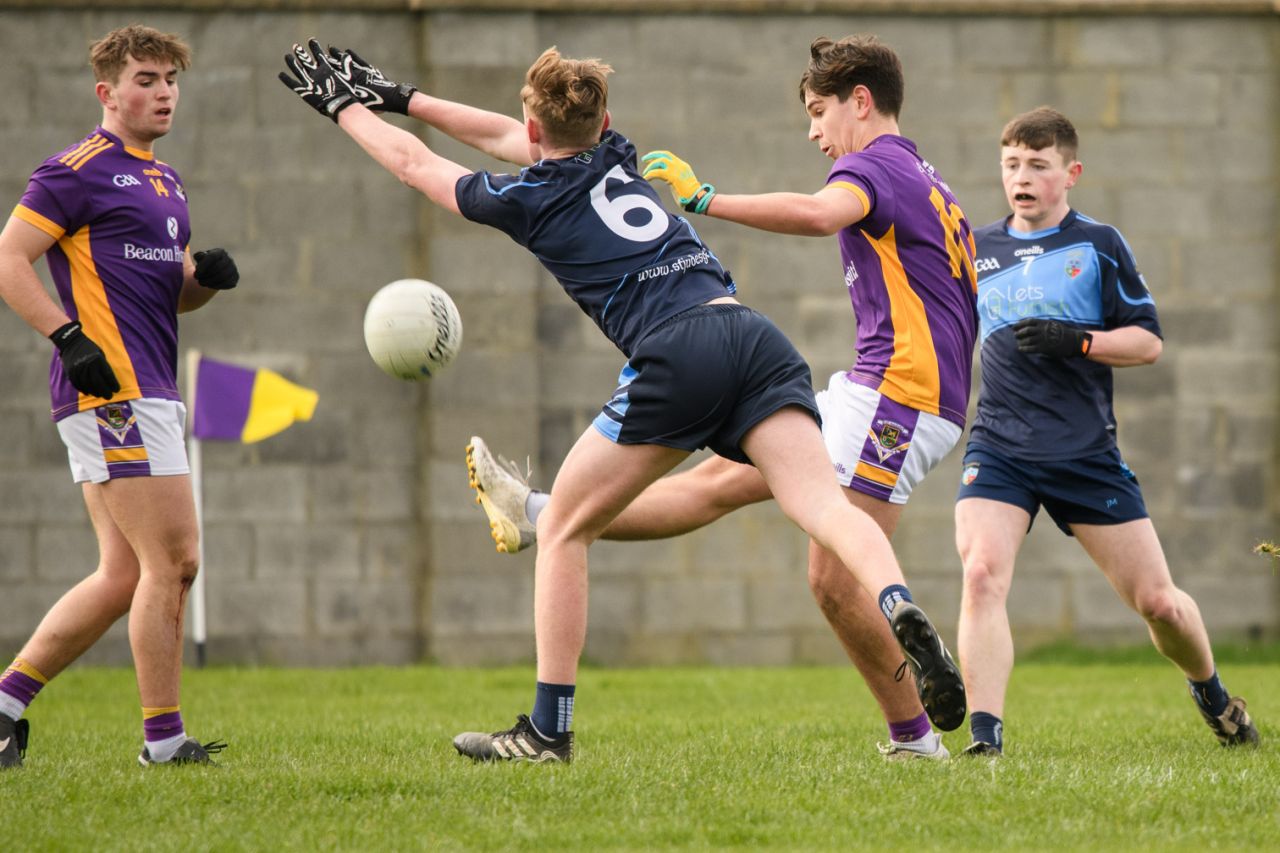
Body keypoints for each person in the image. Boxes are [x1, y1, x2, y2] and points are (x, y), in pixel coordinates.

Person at [279, 38, 965, 763]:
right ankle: (899, 603)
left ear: (540, 135)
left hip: (678, 349)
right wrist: (401, 94)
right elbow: (511, 134)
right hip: (753, 334)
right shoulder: (618, 157)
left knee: (568, 528)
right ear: (604, 125)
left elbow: (421, 164)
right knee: (823, 508)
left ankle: (549, 730)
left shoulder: (529, 198)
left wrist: (346, 108)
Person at [953, 106, 1259, 756]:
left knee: (1159, 604)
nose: (1022, 177)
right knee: (980, 573)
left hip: (1085, 453)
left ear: (1071, 172)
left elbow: (1148, 343)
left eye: (1038, 164)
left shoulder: (1098, 245)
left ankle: (1213, 694)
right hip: (999, 446)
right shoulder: (974, 248)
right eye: (1012, 165)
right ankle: (986, 740)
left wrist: (1079, 339)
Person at [0, 26, 236, 769]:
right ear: (107, 92)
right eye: (145, 79)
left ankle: (4, 706)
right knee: (177, 561)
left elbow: (168, 299)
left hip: (150, 387)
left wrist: (203, 280)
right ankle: (163, 742)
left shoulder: (165, 181)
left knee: (125, 573)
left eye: (171, 79)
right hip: (113, 394)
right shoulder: (76, 170)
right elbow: (9, 259)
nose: (163, 91)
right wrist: (66, 335)